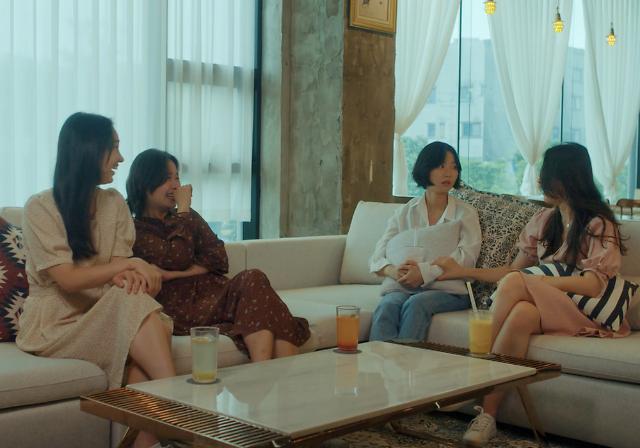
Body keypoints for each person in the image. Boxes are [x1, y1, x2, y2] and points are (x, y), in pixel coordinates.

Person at [432, 142, 629, 446]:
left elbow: (593, 285)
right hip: (549, 306)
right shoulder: (545, 220)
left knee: (516, 283)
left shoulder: (598, 224)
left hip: (583, 312)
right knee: (522, 313)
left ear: (565, 178)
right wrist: (461, 272)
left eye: (545, 174)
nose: (539, 180)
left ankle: (469, 374)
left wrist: (539, 282)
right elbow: (512, 271)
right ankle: (487, 417)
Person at [16, 112, 175, 448]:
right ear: (88, 150)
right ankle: (181, 408)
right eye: (113, 147)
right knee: (142, 317)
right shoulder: (40, 208)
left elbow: (118, 268)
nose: (121, 158)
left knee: (140, 326)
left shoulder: (113, 202)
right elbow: (69, 279)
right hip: (55, 325)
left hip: (103, 309)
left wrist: (134, 273)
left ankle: (158, 432)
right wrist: (135, 264)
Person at [125, 148, 310, 362]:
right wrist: (183, 211)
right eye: (168, 179)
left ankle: (267, 371)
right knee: (269, 308)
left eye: (177, 177)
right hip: (182, 306)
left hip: (213, 293)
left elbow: (219, 258)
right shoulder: (135, 229)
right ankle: (269, 373)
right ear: (145, 182)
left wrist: (171, 274)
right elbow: (178, 257)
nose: (176, 186)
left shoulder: (187, 216)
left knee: (254, 278)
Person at [368, 141, 482, 341]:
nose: (449, 173)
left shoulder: (466, 213)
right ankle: (378, 360)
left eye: (454, 167)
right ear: (426, 168)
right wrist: (395, 272)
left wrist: (424, 273)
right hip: (405, 287)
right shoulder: (405, 212)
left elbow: (467, 258)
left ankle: (407, 360)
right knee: (387, 305)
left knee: (417, 304)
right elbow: (377, 257)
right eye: (441, 166)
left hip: (449, 290)